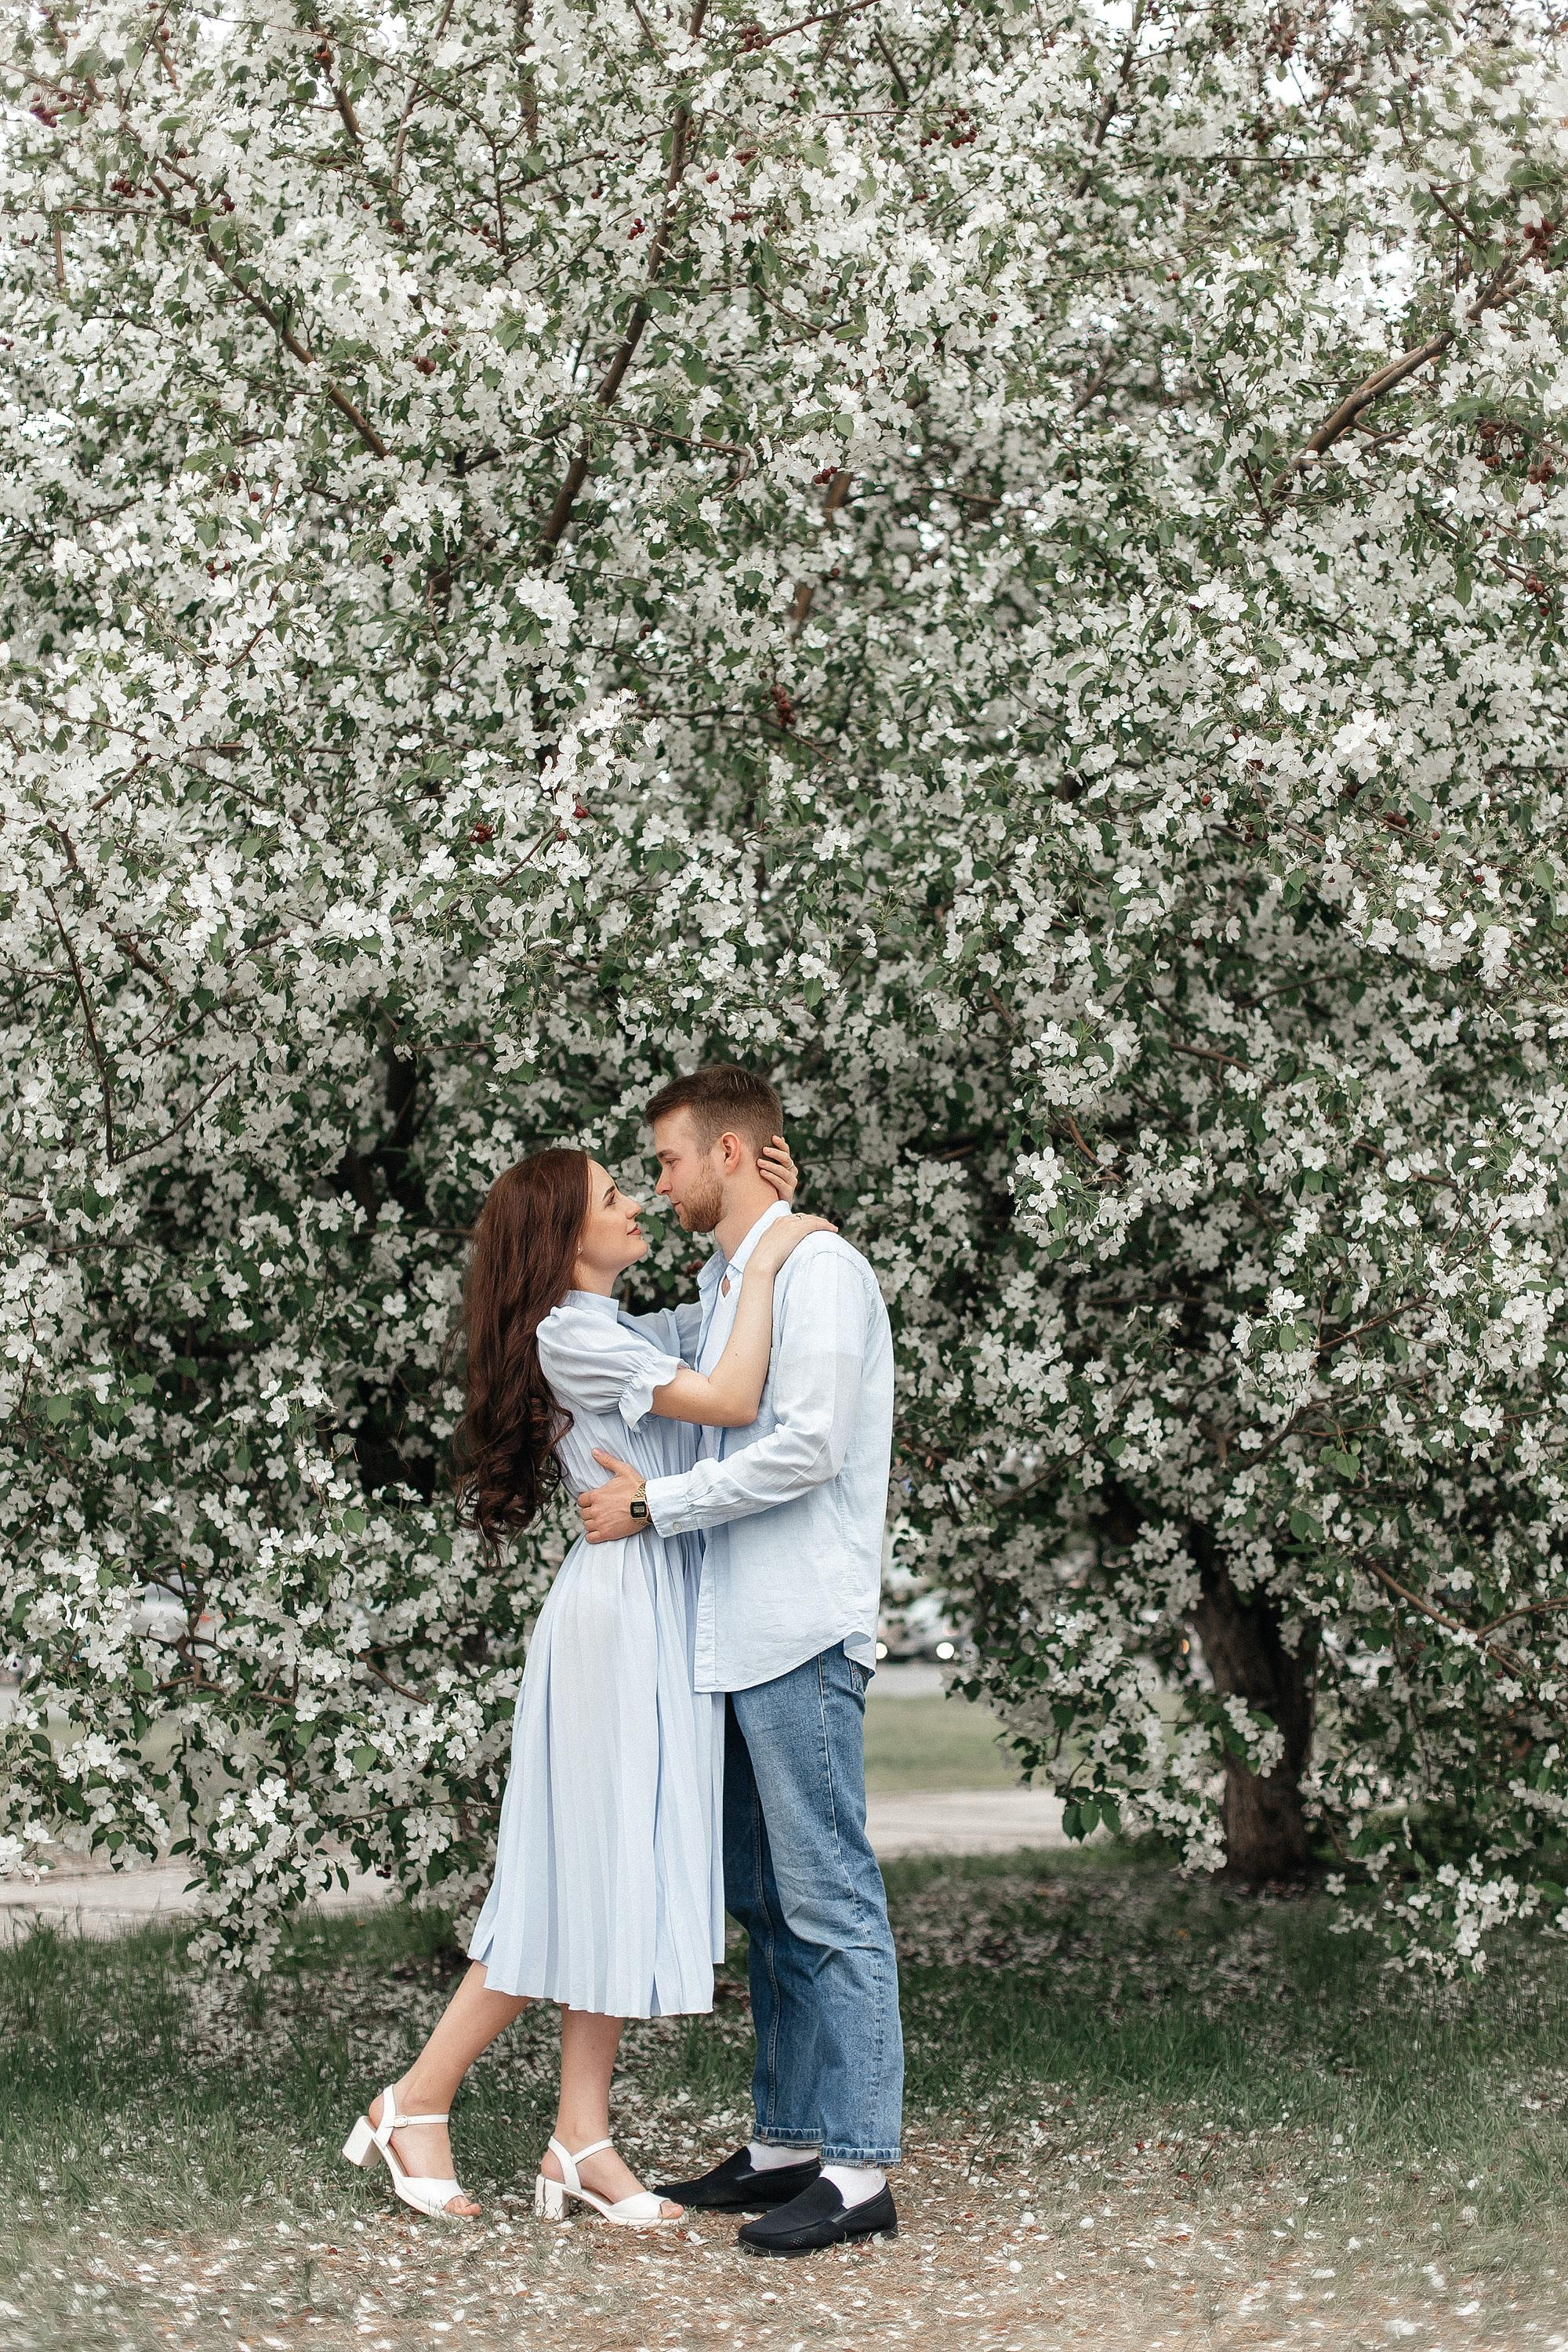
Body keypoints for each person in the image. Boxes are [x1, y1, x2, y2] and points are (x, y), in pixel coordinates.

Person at [342, 1135, 829, 2229]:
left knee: (612, 1874)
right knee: (574, 1880)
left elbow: (705, 1339)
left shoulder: (601, 1328)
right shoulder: (576, 1336)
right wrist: (773, 1254)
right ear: (567, 1240)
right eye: (615, 1197)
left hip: (649, 1603)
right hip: (619, 1617)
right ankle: (416, 2101)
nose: (635, 1205)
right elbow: (735, 1389)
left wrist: (755, 1232)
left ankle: (581, 2139)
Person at [579, 1064, 902, 2257]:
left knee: (829, 1897)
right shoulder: (732, 1284)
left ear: (730, 1153)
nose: (656, 1183)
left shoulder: (819, 1270)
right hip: (734, 1636)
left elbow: (808, 1446)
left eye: (664, 1161)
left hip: (798, 1627)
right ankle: (785, 2146)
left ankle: (862, 2173)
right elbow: (622, 1354)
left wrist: (658, 1508)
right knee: (767, 1905)